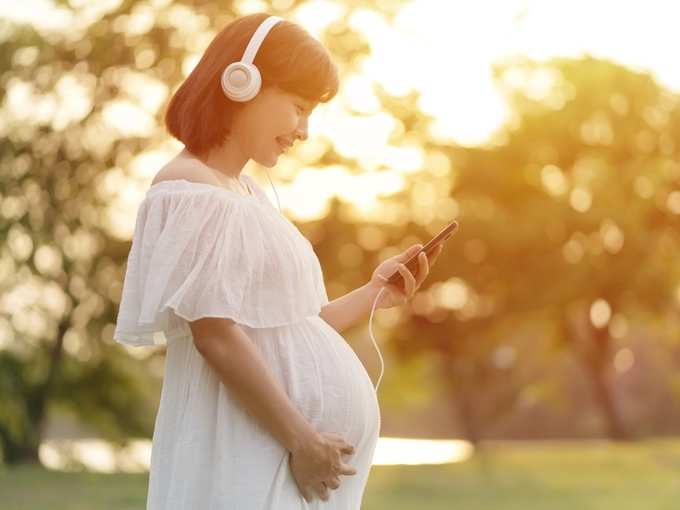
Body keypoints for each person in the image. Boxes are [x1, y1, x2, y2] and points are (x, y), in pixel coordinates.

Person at [114, 12, 443, 509]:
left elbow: (294, 332)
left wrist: (376, 293)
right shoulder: (190, 189)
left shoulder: (244, 192)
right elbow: (216, 334)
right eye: (298, 107)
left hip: (281, 452)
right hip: (257, 447)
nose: (304, 130)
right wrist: (302, 440)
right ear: (241, 84)